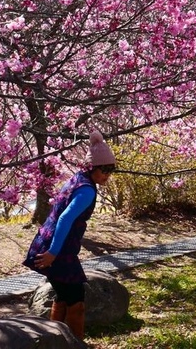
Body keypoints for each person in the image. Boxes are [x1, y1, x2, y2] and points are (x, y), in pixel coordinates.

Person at [23, 131, 117, 339]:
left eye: (110, 170)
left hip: (46, 241)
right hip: (58, 249)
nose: (107, 175)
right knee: (76, 298)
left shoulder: (78, 179)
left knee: (65, 294)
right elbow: (65, 219)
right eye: (104, 170)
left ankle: (56, 341)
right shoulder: (87, 191)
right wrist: (53, 254)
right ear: (93, 167)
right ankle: (74, 343)